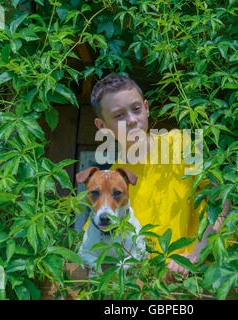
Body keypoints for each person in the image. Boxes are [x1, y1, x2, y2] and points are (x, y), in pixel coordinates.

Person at [85, 74, 230, 280]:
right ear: (102, 126)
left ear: (146, 107)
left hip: (203, 276)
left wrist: (195, 254)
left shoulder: (180, 143)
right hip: (148, 283)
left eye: (136, 109)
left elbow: (221, 201)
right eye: (119, 116)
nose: (132, 120)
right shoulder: (114, 178)